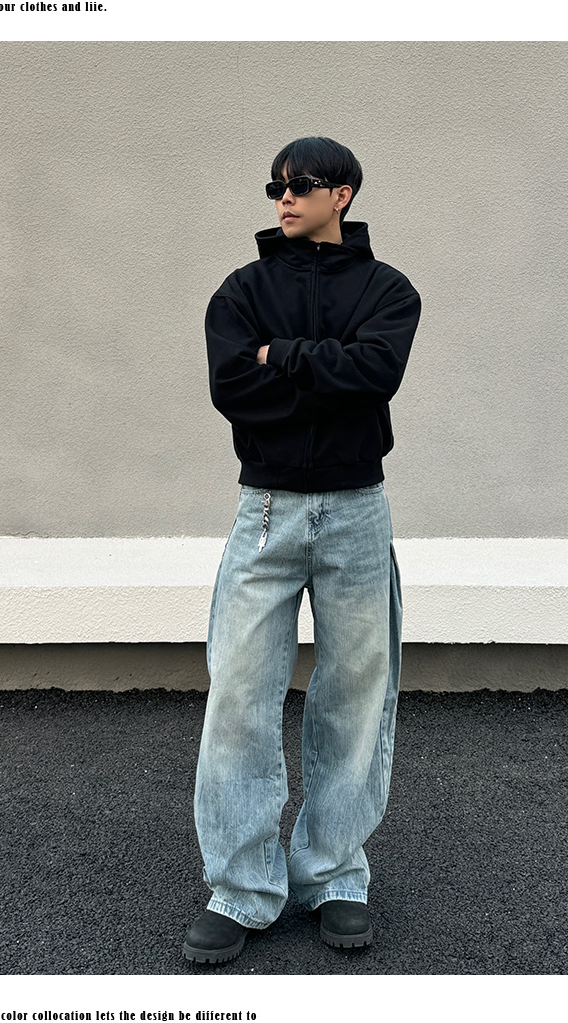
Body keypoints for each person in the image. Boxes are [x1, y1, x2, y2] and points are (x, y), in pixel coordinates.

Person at [183, 137, 421, 965]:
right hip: (267, 509)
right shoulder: (241, 290)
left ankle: (334, 873)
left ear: (342, 194)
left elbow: (376, 376)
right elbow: (232, 388)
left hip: (357, 510)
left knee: (356, 693)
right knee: (239, 693)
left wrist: (279, 357)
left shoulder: (389, 290)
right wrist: (326, 374)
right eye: (275, 187)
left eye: (301, 185)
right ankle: (241, 887)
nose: (283, 198)